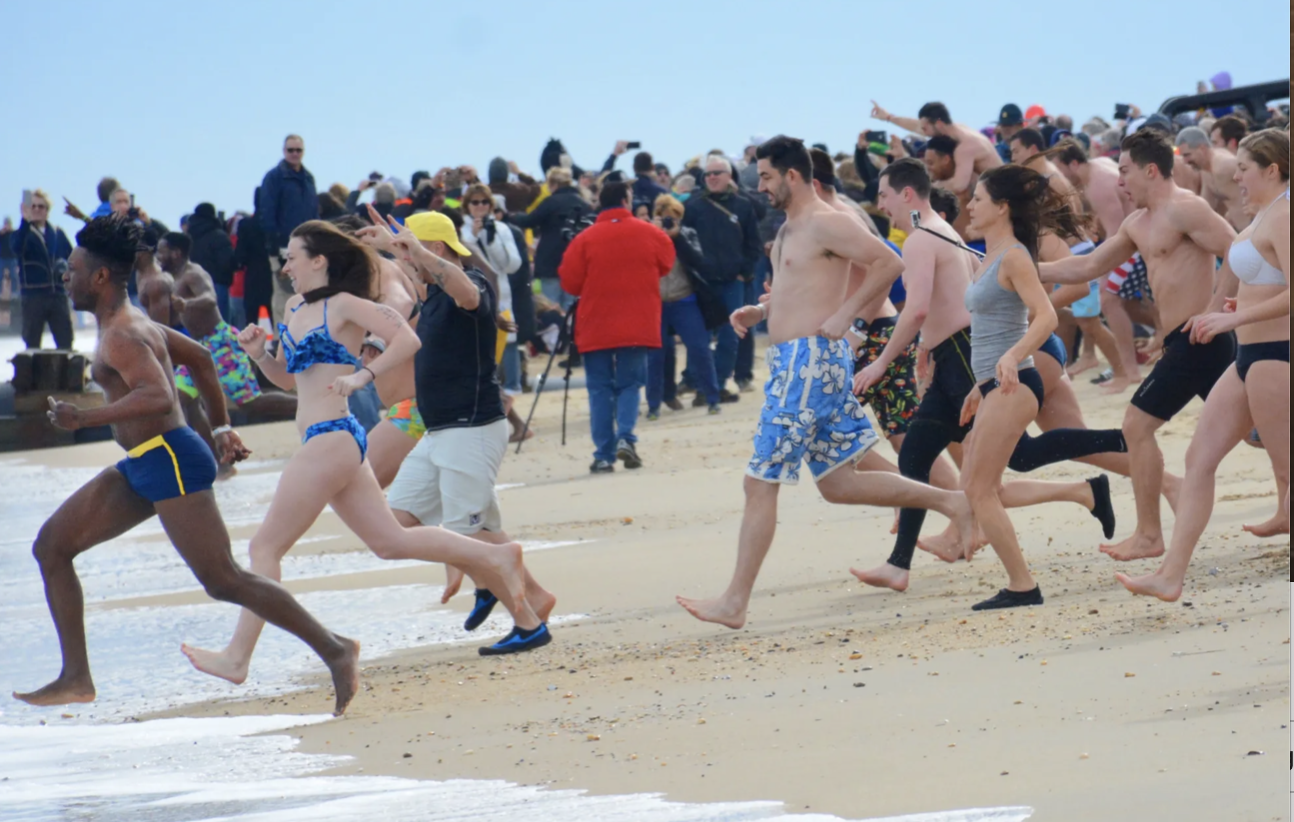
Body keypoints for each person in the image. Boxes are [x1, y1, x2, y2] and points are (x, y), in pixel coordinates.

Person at [14, 215, 360, 715]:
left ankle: (335, 649)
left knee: (224, 579)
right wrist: (220, 429)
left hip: (170, 459)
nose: (65, 277)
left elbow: (157, 395)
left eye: (71, 269)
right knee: (51, 546)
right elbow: (199, 356)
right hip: (145, 462)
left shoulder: (123, 335)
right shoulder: (130, 323)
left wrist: (85, 416)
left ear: (100, 277)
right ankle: (76, 676)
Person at [181, 219, 547, 685]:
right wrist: (258, 355)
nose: (285, 266)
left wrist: (363, 377)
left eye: (293, 256)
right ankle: (498, 557)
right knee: (390, 541)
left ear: (319, 260)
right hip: (326, 437)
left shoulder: (348, 304)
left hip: (333, 436)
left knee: (264, 547)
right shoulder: (293, 308)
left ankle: (237, 657)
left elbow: (407, 339)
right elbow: (291, 381)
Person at [675, 136, 978, 630]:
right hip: (798, 362)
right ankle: (953, 501)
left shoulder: (828, 221)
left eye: (768, 176)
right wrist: (760, 310)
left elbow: (889, 263)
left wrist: (846, 316)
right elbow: (798, 288)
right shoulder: (793, 226)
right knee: (839, 484)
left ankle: (734, 601)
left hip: (809, 363)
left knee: (759, 482)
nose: (761, 185)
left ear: (793, 175)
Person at [852, 160, 1124, 592]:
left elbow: (922, 307)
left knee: (1007, 463)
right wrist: (929, 348)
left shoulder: (925, 236)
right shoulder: (947, 232)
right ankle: (902, 563)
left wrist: (882, 361)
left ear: (906, 194)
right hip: (959, 355)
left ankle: (1113, 451)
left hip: (972, 354)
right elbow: (947, 302)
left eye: (884, 195)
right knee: (920, 454)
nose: (880, 204)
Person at [1041, 128, 1239, 562]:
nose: (1119, 180)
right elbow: (1090, 264)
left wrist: (1215, 310)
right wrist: (1030, 269)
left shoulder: (1187, 209)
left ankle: (1150, 536)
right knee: (1259, 431)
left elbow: (1236, 249)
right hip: (1183, 341)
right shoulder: (1137, 223)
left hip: (1200, 337)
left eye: (1126, 170)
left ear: (1152, 170)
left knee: (1136, 426)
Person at [1118, 131, 1289, 602]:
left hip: (1278, 355)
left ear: (1271, 170)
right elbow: (1251, 277)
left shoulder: (1286, 213)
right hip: (1246, 357)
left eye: (1244, 168)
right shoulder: (1261, 216)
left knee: (1286, 468)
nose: (1234, 175)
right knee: (1198, 460)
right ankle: (1170, 575)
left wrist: (1232, 316)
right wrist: (1226, 306)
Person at [952, 166, 1121, 610]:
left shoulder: (1014, 256)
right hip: (994, 385)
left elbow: (1045, 316)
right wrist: (979, 385)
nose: (970, 206)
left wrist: (1010, 357)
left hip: (1016, 383)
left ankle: (1023, 585)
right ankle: (1085, 492)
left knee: (979, 488)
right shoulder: (990, 255)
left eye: (978, 199)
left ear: (1002, 207)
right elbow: (991, 329)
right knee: (985, 486)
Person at [560, 181, 675, 472]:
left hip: (596, 322)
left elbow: (570, 282)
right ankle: (626, 437)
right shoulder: (650, 233)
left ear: (600, 201)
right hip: (637, 321)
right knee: (630, 384)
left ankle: (603, 453)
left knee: (599, 389)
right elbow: (666, 264)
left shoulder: (584, 239)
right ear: (627, 200)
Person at [157, 231, 298, 423]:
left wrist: (187, 304)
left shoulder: (193, 273)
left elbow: (209, 298)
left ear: (176, 253)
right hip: (199, 345)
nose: (158, 257)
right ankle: (210, 448)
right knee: (181, 399)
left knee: (252, 404)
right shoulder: (174, 277)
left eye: (161, 251)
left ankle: (309, 406)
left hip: (221, 343)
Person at [1047, 138, 1134, 382]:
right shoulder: (1098, 167)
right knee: (1091, 315)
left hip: (1128, 245)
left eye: (1059, 169)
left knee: (1105, 304)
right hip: (1121, 242)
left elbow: (1118, 232)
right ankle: (1096, 358)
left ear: (1073, 164)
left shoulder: (1097, 185)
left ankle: (1126, 369)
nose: (1059, 176)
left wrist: (1102, 267)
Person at [682, 155, 763, 399]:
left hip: (732, 281)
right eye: (708, 174)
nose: (712, 177)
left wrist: (743, 273)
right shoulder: (693, 207)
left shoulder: (742, 206)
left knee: (730, 335)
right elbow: (683, 243)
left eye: (718, 173)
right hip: (701, 282)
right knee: (700, 339)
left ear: (729, 177)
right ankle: (702, 386)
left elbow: (753, 245)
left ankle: (716, 386)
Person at [646, 194, 722, 418]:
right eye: (665, 218)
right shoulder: (648, 236)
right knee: (656, 356)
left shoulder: (687, 234)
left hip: (684, 299)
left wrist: (677, 237)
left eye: (674, 218)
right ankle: (653, 406)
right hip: (657, 303)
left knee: (699, 349)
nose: (669, 222)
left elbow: (698, 260)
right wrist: (656, 234)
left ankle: (712, 398)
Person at [461, 183, 525, 404]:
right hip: (477, 292)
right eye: (475, 202)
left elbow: (512, 264)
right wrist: (475, 236)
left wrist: (491, 239)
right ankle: (496, 388)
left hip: (502, 291)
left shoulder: (502, 228)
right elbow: (469, 260)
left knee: (508, 337)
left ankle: (512, 386)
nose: (480, 206)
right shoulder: (462, 230)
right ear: (467, 205)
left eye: (484, 202)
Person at [871, 100, 1002, 195]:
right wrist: (888, 117)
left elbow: (959, 185)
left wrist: (926, 186)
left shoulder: (965, 148)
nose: (924, 133)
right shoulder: (955, 129)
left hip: (1005, 194)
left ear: (938, 124)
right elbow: (916, 125)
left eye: (925, 128)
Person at [507, 166, 591, 313]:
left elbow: (529, 220)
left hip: (550, 264)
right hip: (576, 264)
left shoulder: (551, 202)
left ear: (553, 184)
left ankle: (556, 335)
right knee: (573, 309)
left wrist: (510, 216)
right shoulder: (585, 205)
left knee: (551, 308)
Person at [259, 134, 319, 324]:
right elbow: (267, 213)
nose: (294, 154)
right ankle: (282, 343)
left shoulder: (308, 178)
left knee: (309, 293)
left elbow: (313, 212)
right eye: (290, 150)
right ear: (284, 151)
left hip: (308, 247)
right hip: (283, 247)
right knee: (284, 295)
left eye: (298, 150)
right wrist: (274, 251)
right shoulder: (273, 178)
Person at [11, 189, 74, 350]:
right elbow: (16, 248)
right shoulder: (22, 233)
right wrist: (25, 221)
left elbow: (72, 258)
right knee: (32, 345)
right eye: (33, 206)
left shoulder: (58, 233)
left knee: (66, 342)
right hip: (33, 296)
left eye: (41, 206)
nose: (37, 209)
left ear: (47, 210)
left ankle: (64, 375)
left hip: (57, 294)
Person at [1177, 127, 1248, 231]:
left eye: (1187, 155)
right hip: (1242, 232)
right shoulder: (1205, 169)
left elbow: (1263, 179)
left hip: (1256, 229)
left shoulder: (1224, 165)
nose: (1185, 161)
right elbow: (1206, 205)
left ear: (1202, 148)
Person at [187, 203, 237, 321]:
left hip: (194, 286)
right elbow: (227, 262)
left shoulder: (189, 236)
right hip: (217, 284)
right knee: (220, 326)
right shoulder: (219, 235)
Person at [234, 189, 275, 330]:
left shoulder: (246, 225)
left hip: (254, 274)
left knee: (251, 317)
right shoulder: (278, 224)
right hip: (276, 272)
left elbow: (240, 255)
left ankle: (252, 349)